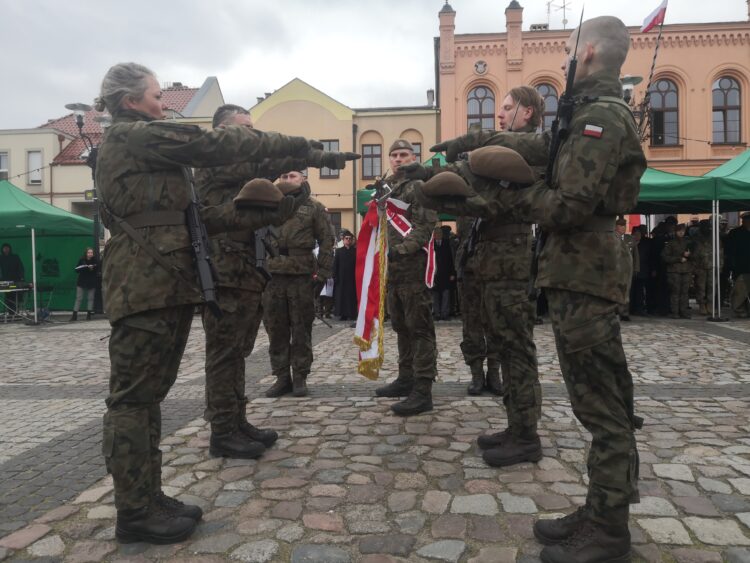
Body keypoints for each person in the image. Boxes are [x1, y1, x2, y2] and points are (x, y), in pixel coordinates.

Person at [94, 62, 349, 545]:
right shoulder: (132, 136)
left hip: (164, 281)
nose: (162, 105)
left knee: (149, 398)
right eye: (156, 96)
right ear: (130, 101)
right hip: (143, 282)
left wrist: (261, 206)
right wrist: (297, 146)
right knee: (134, 400)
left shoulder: (150, 149)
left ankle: (147, 496)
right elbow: (212, 144)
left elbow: (204, 219)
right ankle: (135, 510)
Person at [428, 16, 646, 562]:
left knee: (602, 406)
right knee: (595, 400)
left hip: (587, 270)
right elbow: (536, 149)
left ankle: (609, 530)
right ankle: (601, 508)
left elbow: (567, 205)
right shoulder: (584, 114)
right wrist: (471, 153)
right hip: (575, 271)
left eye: (569, 48)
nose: (565, 58)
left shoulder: (601, 117)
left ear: (588, 52)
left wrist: (508, 198)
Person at [194, 104, 354, 460]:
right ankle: (223, 430)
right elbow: (259, 166)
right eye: (246, 129)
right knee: (224, 354)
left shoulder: (236, 169)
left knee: (237, 352)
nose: (253, 135)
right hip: (223, 272)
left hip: (244, 270)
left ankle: (236, 421)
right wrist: (310, 155)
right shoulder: (215, 159)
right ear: (223, 131)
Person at [406, 85, 544, 465]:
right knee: (506, 343)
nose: (500, 114)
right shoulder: (503, 152)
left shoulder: (534, 153)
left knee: (516, 349)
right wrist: (428, 174)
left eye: (508, 108)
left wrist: (457, 198)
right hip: (491, 260)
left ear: (527, 112)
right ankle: (516, 426)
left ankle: (527, 435)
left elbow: (499, 201)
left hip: (511, 261)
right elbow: (469, 175)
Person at [374, 139, 439, 416]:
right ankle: (406, 377)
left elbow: (425, 225)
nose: (398, 159)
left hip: (412, 266)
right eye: (394, 155)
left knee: (419, 327)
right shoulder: (388, 189)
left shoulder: (419, 185)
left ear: (414, 157)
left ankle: (423, 389)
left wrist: (402, 250)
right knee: (401, 325)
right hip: (394, 269)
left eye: (404, 154)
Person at [262, 168, 335, 398]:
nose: (287, 179)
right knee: (275, 328)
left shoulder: (314, 207)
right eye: (283, 176)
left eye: (292, 175)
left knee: (301, 328)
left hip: (301, 275)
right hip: (273, 275)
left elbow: (327, 240)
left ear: (303, 178)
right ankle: (282, 376)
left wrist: (323, 273)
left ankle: (300, 376)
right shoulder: (269, 205)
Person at [662, 223, 693, 319]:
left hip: (686, 270)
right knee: (675, 292)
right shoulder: (671, 243)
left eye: (683, 231)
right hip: (674, 271)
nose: (681, 233)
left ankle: (683, 311)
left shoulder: (688, 242)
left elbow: (695, 255)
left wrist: (689, 255)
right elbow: (664, 256)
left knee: (685, 292)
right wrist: (678, 259)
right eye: (679, 231)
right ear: (676, 232)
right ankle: (675, 312)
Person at [726, 212, 750, 318]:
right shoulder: (735, 233)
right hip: (740, 267)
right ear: (743, 221)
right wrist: (732, 264)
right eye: (746, 220)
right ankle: (740, 310)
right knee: (740, 290)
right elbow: (730, 250)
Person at [615, 217, 638, 321]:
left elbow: (636, 255)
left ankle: (624, 313)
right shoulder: (611, 238)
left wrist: (636, 268)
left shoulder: (630, 239)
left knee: (626, 292)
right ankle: (614, 311)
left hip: (627, 270)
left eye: (624, 225)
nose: (623, 227)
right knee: (614, 291)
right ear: (616, 227)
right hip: (615, 270)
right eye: (621, 225)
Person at [431, 226, 456, 321]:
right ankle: (437, 313)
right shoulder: (431, 245)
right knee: (435, 295)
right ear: (434, 235)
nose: (438, 235)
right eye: (436, 234)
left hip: (446, 273)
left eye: (439, 234)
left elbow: (450, 259)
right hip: (435, 274)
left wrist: (452, 273)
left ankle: (445, 313)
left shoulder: (446, 243)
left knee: (446, 294)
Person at [332, 229, 357, 321]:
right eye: (346, 238)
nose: (348, 240)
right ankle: (343, 314)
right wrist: (335, 276)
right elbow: (335, 265)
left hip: (352, 278)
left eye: (350, 238)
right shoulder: (339, 251)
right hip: (341, 278)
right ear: (343, 240)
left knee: (351, 296)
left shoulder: (355, 251)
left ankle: (352, 314)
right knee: (341, 296)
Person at [71, 247, 98, 321]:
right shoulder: (82, 260)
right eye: (89, 252)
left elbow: (97, 269)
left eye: (91, 253)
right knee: (78, 298)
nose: (90, 254)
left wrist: (92, 268)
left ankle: (89, 315)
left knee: (90, 298)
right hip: (81, 281)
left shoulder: (95, 260)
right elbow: (76, 269)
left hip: (91, 282)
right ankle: (74, 315)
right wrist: (84, 267)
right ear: (86, 253)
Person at [0, 243, 25, 315]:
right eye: (4, 248)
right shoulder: (1, 258)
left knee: (15, 296)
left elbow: (21, 268)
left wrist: (21, 278)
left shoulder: (15, 257)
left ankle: (16, 312)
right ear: (2, 249)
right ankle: (11, 313)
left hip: (15, 281)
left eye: (7, 248)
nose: (6, 250)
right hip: (6, 282)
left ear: (10, 249)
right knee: (8, 297)